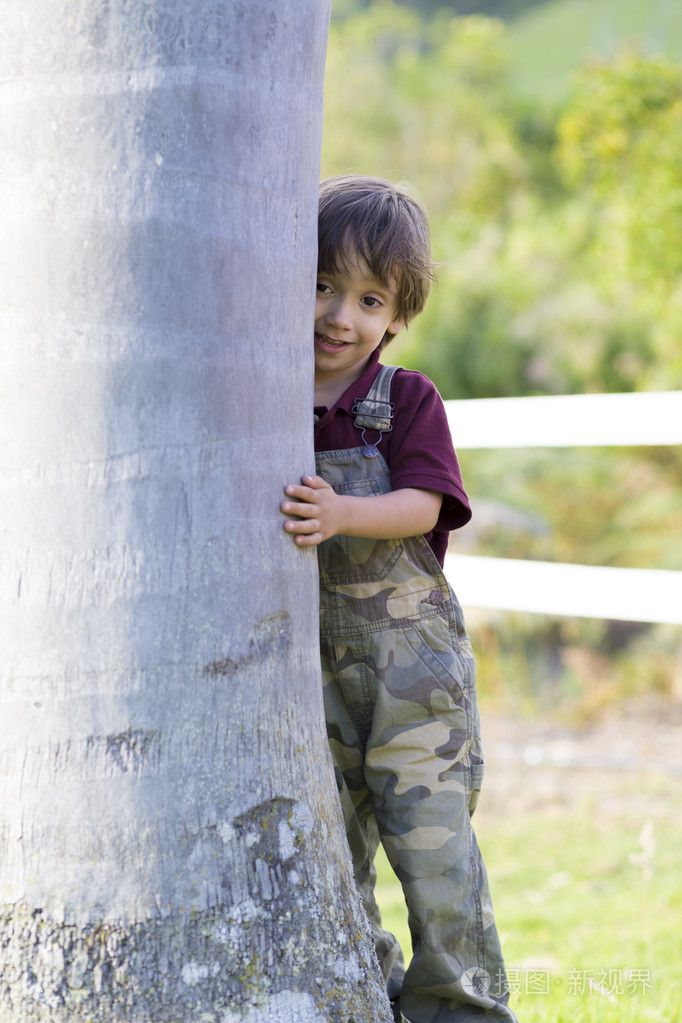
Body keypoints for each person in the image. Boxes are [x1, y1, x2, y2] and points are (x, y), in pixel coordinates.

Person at [281, 175, 517, 1023]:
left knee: (434, 849)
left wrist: (342, 511)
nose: (339, 315)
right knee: (331, 854)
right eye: (321, 284)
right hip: (313, 678)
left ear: (396, 317)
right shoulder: (259, 393)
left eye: (368, 298)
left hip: (413, 677)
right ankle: (369, 994)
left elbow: (425, 503)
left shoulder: (403, 400)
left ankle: (463, 1006)